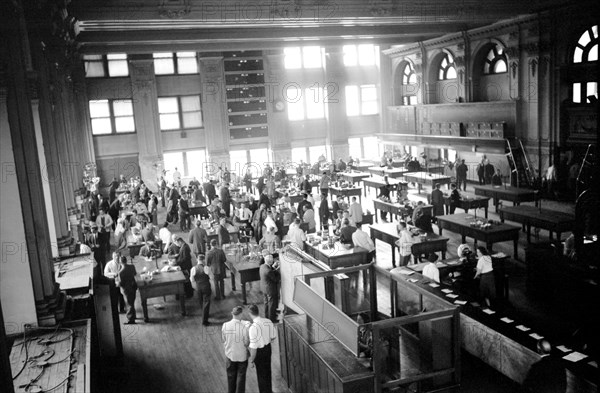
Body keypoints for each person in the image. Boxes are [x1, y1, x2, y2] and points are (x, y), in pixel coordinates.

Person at [248, 304, 277, 393]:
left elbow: (254, 349)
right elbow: (273, 336)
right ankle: (269, 390)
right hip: (268, 349)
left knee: (261, 375)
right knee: (268, 371)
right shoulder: (268, 321)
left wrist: (251, 361)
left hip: (259, 353)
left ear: (250, 314)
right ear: (258, 311)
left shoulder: (253, 328)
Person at [222, 306, 251, 393]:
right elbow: (247, 343)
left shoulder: (225, 325)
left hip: (230, 355)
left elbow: (223, 340)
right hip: (242, 356)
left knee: (231, 377)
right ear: (241, 314)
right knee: (241, 378)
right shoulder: (244, 328)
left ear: (232, 314)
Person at [191, 255, 212, 326]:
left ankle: (204, 313)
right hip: (206, 286)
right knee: (206, 302)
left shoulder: (193, 268)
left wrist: (195, 286)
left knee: (201, 301)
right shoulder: (206, 268)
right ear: (203, 260)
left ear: (197, 259)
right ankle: (204, 320)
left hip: (198, 287)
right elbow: (211, 277)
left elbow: (192, 280)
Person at [259, 255, 280, 323]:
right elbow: (276, 279)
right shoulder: (269, 271)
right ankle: (272, 320)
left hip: (264, 288)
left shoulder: (262, 266)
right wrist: (278, 271)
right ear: (271, 262)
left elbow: (270, 273)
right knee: (271, 305)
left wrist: (273, 267)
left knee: (266, 303)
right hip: (270, 289)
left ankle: (267, 317)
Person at [118, 255, 138, 325]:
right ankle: (134, 316)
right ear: (126, 261)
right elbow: (135, 274)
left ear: (120, 262)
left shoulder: (120, 272)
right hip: (133, 287)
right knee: (132, 302)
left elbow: (121, 283)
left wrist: (117, 283)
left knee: (128, 304)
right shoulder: (132, 266)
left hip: (126, 290)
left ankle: (131, 319)